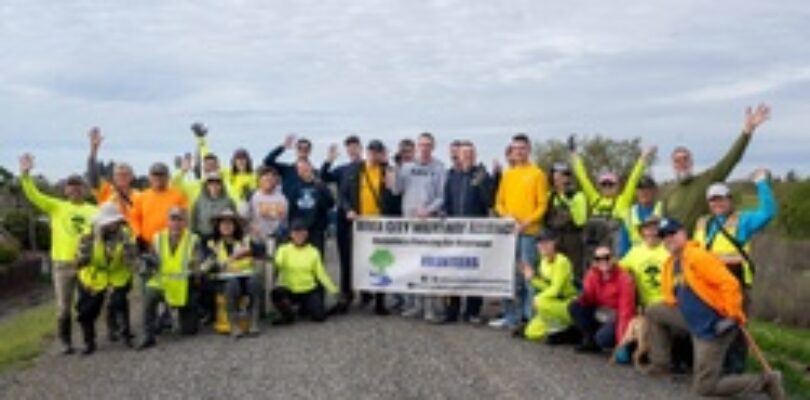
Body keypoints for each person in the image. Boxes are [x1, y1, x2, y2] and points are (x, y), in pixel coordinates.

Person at [645, 219, 784, 399]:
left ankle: (765, 381)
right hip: (690, 319)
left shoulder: (697, 256)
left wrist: (733, 315)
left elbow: (730, 284)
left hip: (713, 327)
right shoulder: (673, 263)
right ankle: (661, 363)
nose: (668, 239)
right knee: (653, 311)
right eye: (664, 236)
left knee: (704, 388)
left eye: (672, 233)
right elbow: (676, 295)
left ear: (684, 234)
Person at [693, 169, 777, 374]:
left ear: (730, 199)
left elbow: (768, 212)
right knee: (711, 327)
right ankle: (712, 368)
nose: (717, 203)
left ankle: (735, 371)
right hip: (709, 285)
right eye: (713, 199)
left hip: (736, 283)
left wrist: (761, 183)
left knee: (736, 329)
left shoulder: (743, 220)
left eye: (721, 198)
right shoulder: (703, 223)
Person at [19, 153, 98, 354]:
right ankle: (65, 342)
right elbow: (33, 195)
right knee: (64, 307)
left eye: (78, 185)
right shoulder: (56, 207)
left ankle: (89, 341)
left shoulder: (93, 211)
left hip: (86, 264)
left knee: (86, 305)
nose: (75, 189)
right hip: (62, 265)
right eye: (71, 186)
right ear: (65, 190)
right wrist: (26, 174)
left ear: (84, 189)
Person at [661, 104, 771, 234]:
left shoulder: (706, 180)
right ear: (672, 165)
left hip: (702, 249)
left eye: (685, 159)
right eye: (677, 160)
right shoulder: (668, 193)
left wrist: (747, 132)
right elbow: (663, 226)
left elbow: (730, 160)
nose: (682, 163)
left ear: (691, 162)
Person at [490, 134, 549, 329]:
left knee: (528, 275)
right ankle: (511, 316)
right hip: (509, 233)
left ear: (529, 150)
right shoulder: (508, 174)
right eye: (515, 148)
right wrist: (507, 217)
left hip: (529, 232)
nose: (519, 151)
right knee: (510, 275)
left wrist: (526, 222)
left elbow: (542, 205)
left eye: (522, 148)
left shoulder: (537, 174)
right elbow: (499, 202)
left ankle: (529, 317)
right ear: (512, 151)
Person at [337, 139, 398, 315]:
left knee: (380, 262)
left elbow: (394, 196)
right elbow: (342, 196)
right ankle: (347, 296)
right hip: (357, 225)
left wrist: (391, 178)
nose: (374, 155)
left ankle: (380, 301)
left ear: (381, 154)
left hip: (378, 225)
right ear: (367, 152)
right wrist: (348, 210)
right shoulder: (353, 170)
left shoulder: (387, 171)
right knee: (350, 262)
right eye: (371, 151)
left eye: (378, 152)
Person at [392, 132, 447, 322]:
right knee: (411, 263)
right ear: (416, 147)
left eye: (428, 145)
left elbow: (442, 196)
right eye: (421, 145)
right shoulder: (406, 167)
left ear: (433, 147)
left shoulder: (439, 168)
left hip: (429, 223)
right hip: (409, 222)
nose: (424, 148)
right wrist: (397, 169)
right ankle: (414, 304)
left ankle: (430, 308)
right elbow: (396, 190)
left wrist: (428, 210)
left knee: (429, 265)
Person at [570, 138, 655, 257]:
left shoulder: (623, 199)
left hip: (616, 248)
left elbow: (634, 178)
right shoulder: (595, 199)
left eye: (611, 184)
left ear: (617, 186)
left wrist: (643, 158)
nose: (607, 187)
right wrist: (574, 156)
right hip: (597, 247)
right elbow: (582, 177)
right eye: (604, 184)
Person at [442, 141, 494, 323]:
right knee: (453, 270)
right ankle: (452, 310)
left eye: (470, 154)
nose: (467, 157)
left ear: (475, 155)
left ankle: (472, 311)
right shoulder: (452, 176)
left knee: (474, 270)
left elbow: (489, 202)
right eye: (464, 154)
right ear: (459, 156)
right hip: (455, 232)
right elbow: (447, 202)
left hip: (476, 231)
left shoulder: (482, 175)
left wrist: (481, 184)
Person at [137, 207, 204, 350]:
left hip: (184, 286)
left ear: (185, 222)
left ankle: (176, 316)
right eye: (173, 219)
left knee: (189, 331)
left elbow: (197, 264)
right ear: (167, 222)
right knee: (149, 293)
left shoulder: (193, 240)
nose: (176, 224)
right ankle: (147, 334)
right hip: (162, 284)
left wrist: (196, 271)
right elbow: (151, 260)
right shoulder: (157, 238)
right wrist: (146, 263)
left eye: (179, 220)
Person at [75, 203, 138, 354]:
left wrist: (133, 265)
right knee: (86, 310)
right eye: (109, 221)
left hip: (117, 274)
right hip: (94, 276)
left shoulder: (125, 234)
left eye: (115, 221)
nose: (112, 224)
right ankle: (89, 342)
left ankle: (126, 335)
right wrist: (84, 259)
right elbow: (80, 260)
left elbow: (131, 257)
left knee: (120, 301)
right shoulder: (88, 236)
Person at [201, 208, 263, 338]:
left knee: (255, 281)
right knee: (232, 284)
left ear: (236, 226)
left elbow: (261, 252)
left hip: (244, 277)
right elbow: (204, 267)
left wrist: (256, 240)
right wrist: (216, 263)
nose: (227, 226)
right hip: (220, 281)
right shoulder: (210, 243)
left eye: (230, 223)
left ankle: (253, 322)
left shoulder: (245, 241)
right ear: (218, 226)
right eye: (223, 224)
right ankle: (233, 324)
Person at [568, 245, 636, 353]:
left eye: (607, 257)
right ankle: (590, 341)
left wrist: (622, 344)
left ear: (614, 259)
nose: (603, 261)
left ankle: (620, 342)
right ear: (594, 261)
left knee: (603, 339)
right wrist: (580, 297)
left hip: (616, 317)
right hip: (601, 312)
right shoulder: (592, 274)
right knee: (575, 305)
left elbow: (626, 312)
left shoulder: (624, 278)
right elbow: (588, 299)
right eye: (598, 259)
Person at [272, 219, 339, 324]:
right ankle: (287, 315)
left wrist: (334, 291)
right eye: (296, 233)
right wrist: (276, 261)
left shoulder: (313, 251)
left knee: (319, 317)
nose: (299, 236)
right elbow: (277, 263)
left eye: (302, 233)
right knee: (276, 293)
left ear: (306, 234)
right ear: (291, 234)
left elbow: (321, 274)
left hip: (308, 290)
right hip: (290, 289)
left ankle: (306, 308)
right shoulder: (283, 249)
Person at [521, 230, 578, 341]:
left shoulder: (561, 261)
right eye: (540, 242)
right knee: (531, 333)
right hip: (554, 303)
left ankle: (567, 326)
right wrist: (531, 278)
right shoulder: (543, 261)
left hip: (568, 302)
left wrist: (538, 299)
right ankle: (561, 329)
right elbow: (547, 287)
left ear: (555, 243)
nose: (542, 245)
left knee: (541, 302)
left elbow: (556, 289)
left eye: (547, 242)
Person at [86, 127, 140, 228]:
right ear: (114, 177)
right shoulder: (107, 191)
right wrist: (93, 150)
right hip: (110, 236)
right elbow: (93, 178)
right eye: (118, 174)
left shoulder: (140, 196)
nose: (122, 177)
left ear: (132, 177)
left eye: (125, 174)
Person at [544, 162, 587, 281]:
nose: (558, 178)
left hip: (573, 239)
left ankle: (577, 297)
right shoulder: (549, 196)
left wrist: (568, 202)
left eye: (562, 175)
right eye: (555, 175)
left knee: (575, 274)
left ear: (568, 178)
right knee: (554, 274)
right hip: (554, 239)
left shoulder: (577, 196)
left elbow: (580, 221)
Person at [131, 163, 188, 249]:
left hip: (171, 244)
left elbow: (185, 218)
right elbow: (134, 219)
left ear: (168, 177)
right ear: (149, 177)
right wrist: (138, 236)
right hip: (147, 244)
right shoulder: (141, 197)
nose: (158, 178)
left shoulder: (178, 196)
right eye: (155, 175)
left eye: (161, 175)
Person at [619, 216, 669, 309]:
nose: (651, 233)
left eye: (655, 229)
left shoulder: (670, 249)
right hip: (645, 306)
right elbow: (616, 270)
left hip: (668, 304)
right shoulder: (635, 251)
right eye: (647, 229)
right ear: (642, 232)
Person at [287, 159, 334, 257]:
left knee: (316, 259)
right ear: (298, 171)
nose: (303, 170)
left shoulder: (320, 184)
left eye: (305, 167)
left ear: (311, 168)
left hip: (317, 231)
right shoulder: (294, 187)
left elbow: (330, 203)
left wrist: (319, 184)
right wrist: (291, 229)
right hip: (299, 231)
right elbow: (291, 210)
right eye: (300, 168)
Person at [619, 175, 662, 257]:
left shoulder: (664, 209)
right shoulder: (628, 214)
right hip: (637, 262)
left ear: (655, 191)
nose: (644, 193)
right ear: (636, 192)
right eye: (640, 189)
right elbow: (624, 248)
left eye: (648, 189)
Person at [263, 133, 313, 202]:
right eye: (300, 148)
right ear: (296, 150)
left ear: (310, 151)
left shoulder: (315, 173)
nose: (303, 150)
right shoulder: (287, 169)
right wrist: (283, 147)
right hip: (288, 209)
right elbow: (267, 161)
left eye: (306, 148)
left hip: (307, 210)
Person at [190, 172, 236, 241]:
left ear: (221, 185)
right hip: (202, 236)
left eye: (217, 183)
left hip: (221, 238)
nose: (214, 186)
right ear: (207, 185)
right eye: (211, 183)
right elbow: (193, 218)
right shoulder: (199, 201)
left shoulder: (228, 201)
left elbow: (234, 221)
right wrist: (193, 234)